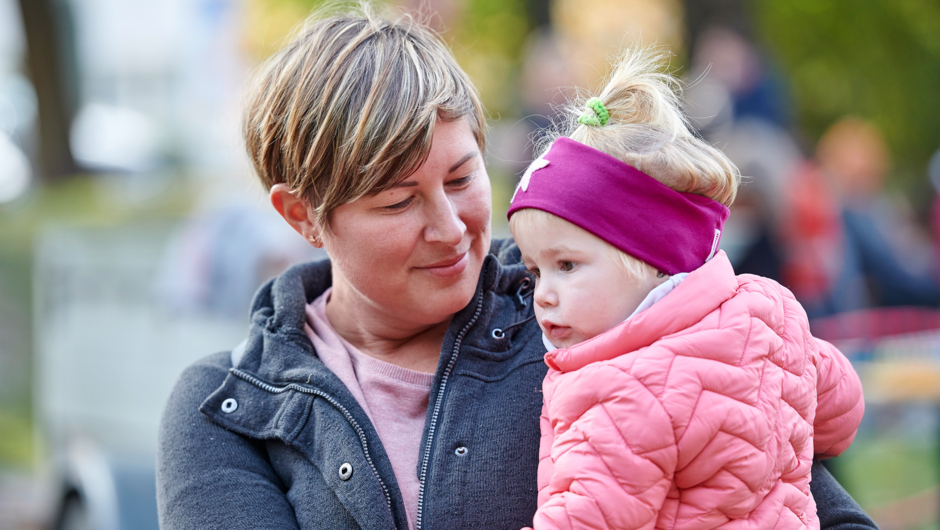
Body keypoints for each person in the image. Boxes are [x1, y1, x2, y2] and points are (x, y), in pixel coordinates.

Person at [156, 5, 877, 529]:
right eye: (398, 201)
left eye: (463, 177)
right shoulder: (227, 412)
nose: (451, 227)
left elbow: (803, 502)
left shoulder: (603, 316)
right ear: (302, 215)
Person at [507, 47, 866, 529]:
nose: (543, 294)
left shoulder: (618, 392)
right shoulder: (769, 312)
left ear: (650, 258)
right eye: (534, 272)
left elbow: (584, 518)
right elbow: (841, 412)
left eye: (567, 265)